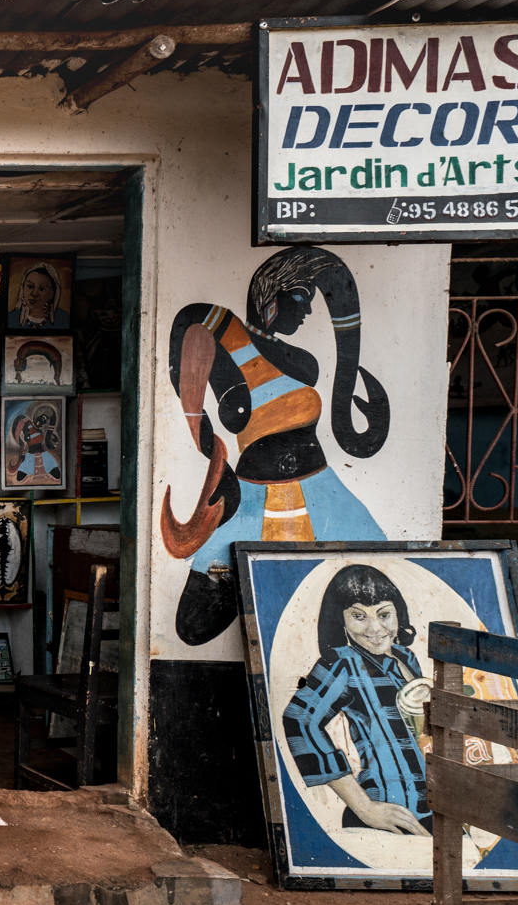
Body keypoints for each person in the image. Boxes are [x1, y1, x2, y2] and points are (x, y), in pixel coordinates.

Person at [161, 247, 389, 645]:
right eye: (300, 300)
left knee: (379, 584)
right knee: (194, 623)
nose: (307, 313)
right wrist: (216, 461)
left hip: (324, 495)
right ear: (272, 299)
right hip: (251, 499)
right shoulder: (229, 338)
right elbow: (189, 386)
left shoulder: (302, 362)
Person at [282, 565, 431, 836]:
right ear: (341, 621)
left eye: (384, 614)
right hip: (384, 817)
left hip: (429, 812)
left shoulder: (406, 658)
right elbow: (298, 720)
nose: (375, 628)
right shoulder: (340, 663)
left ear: (399, 615)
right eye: (358, 616)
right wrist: (364, 807)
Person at [9, 263, 68, 330]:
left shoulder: (64, 319)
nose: (34, 293)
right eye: (30, 286)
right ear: (22, 288)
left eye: (41, 289)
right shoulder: (11, 318)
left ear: (52, 293)